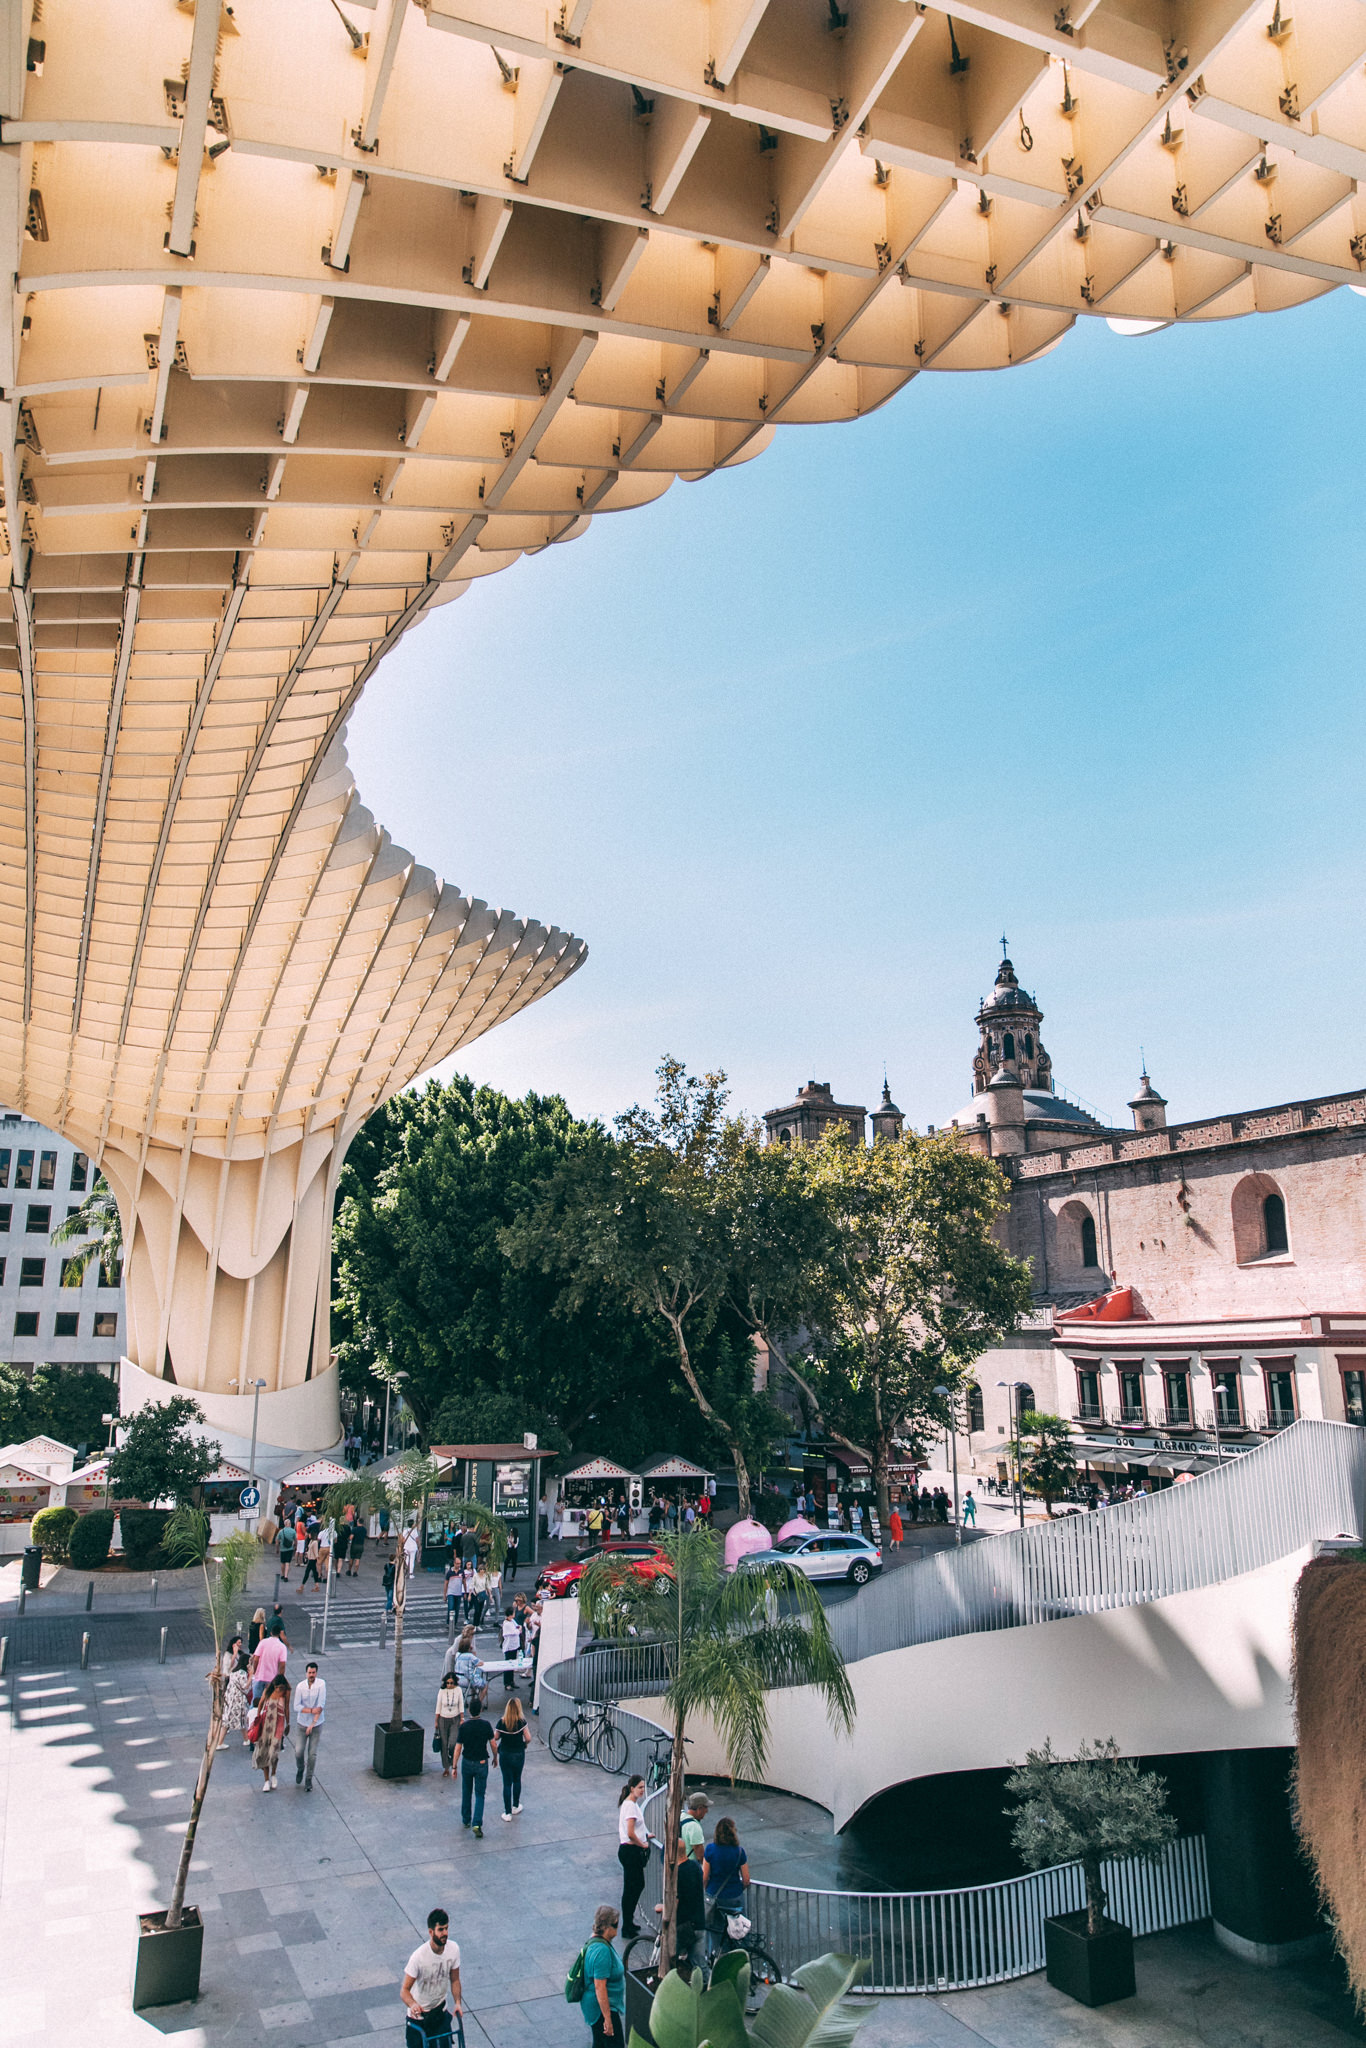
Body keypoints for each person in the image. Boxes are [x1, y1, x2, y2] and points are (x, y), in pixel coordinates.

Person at [401, 1908, 463, 2047]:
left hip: (439, 2013)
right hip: (419, 2018)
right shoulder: (418, 1957)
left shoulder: (453, 1949)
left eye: (446, 1928)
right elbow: (404, 1990)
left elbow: (455, 1980)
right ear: (431, 1932)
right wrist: (413, 2004)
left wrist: (457, 2002)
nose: (445, 1933)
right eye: (441, 1929)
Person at [579, 1905, 625, 2045]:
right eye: (615, 1925)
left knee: (600, 2043)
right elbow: (600, 1987)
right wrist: (608, 2020)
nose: (618, 1928)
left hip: (596, 2007)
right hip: (602, 2010)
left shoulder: (595, 1940)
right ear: (606, 1927)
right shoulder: (602, 1952)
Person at [453, 1698, 496, 1836]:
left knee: (466, 1791)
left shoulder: (464, 1727)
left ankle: (466, 1819)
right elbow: (493, 1744)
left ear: (469, 1710)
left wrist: (454, 1766)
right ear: (481, 1710)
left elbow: (458, 1748)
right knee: (480, 1794)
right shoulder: (486, 1725)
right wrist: (495, 1757)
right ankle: (477, 1823)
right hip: (482, 1762)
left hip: (467, 1762)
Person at [617, 1775, 651, 1938]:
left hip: (630, 1851)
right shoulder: (630, 1806)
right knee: (633, 1887)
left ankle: (629, 1922)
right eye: (640, 1787)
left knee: (633, 1887)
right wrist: (642, 1844)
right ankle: (627, 1925)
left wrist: (646, 1835)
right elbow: (630, 1832)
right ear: (632, 1789)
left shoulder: (631, 1804)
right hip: (630, 1851)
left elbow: (636, 1828)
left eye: (643, 1787)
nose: (643, 1790)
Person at [703, 1816, 750, 1934]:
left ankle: (715, 1951)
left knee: (714, 1931)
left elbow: (705, 1876)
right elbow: (746, 1880)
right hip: (734, 1895)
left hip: (715, 1895)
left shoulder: (710, 1850)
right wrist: (739, 1888)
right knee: (739, 1929)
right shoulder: (739, 1852)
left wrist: (706, 1890)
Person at [252, 1672, 290, 1793]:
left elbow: (287, 1707)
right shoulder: (268, 1690)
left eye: (281, 1688)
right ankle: (266, 1780)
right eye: (277, 1687)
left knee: (274, 1751)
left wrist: (287, 1723)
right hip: (266, 1722)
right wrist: (258, 1717)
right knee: (264, 1751)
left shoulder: (286, 1692)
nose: (279, 1690)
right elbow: (261, 1703)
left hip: (278, 1722)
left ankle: (273, 1774)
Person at [293, 1661, 326, 1790]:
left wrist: (313, 1723)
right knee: (298, 1752)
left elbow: (321, 1705)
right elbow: (297, 1706)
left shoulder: (321, 1684)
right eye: (309, 1672)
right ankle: (300, 1768)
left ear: (316, 1673)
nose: (311, 1675)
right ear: (306, 1673)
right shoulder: (300, 1686)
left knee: (312, 1754)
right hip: (302, 1723)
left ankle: (308, 1779)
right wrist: (311, 1711)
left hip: (316, 1724)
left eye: (313, 1672)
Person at [498, 1696, 528, 1818]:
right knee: (517, 1779)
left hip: (505, 1753)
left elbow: (495, 1737)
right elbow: (529, 1738)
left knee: (506, 1783)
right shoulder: (522, 1722)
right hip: (518, 1753)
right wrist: (524, 1744)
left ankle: (507, 1812)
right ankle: (515, 1805)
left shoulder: (502, 1722)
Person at [249, 1621, 287, 1705]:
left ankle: (253, 1716)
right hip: (272, 1679)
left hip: (259, 1676)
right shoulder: (282, 1647)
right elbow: (282, 1665)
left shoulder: (263, 1643)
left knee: (256, 1702)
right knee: (270, 1703)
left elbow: (256, 1659)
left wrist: (254, 1672)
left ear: (270, 1632)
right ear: (280, 1633)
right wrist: (280, 1679)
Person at [222, 1639, 252, 1744]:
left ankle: (246, 1739)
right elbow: (245, 1688)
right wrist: (251, 1676)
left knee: (230, 1723)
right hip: (238, 1701)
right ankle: (246, 1740)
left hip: (231, 1700)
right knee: (242, 1722)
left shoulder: (234, 1673)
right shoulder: (242, 1674)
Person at [434, 1670, 463, 1777]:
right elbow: (438, 1706)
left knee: (453, 1743)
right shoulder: (442, 1691)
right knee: (444, 1744)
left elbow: (461, 1704)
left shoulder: (458, 1690)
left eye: (451, 1683)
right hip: (443, 1719)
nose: (449, 1685)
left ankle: (452, 1760)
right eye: (448, 1683)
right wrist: (436, 1721)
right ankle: (446, 1767)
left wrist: (462, 1718)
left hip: (455, 1719)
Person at [679, 1791, 710, 1862]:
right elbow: (700, 1856)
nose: (707, 1811)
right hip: (690, 1867)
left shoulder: (681, 1815)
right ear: (699, 1809)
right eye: (706, 1807)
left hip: (678, 1863)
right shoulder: (694, 1827)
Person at [499, 1606, 523, 1692]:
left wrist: (518, 1629)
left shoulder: (512, 1621)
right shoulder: (507, 1624)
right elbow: (515, 1632)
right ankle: (507, 1683)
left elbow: (517, 1627)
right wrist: (519, 1630)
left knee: (512, 1664)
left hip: (514, 1646)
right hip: (509, 1647)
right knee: (508, 1665)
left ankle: (511, 1681)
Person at [444, 1557, 462, 1625]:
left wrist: (466, 1593)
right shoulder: (450, 1573)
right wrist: (445, 1595)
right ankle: (449, 1622)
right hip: (451, 1593)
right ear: (454, 1563)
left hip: (458, 1593)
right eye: (457, 1563)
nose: (458, 1565)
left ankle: (455, 1623)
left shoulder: (461, 1571)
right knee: (451, 1608)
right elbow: (446, 1584)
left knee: (457, 1609)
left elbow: (464, 1582)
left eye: (459, 1564)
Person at [278, 1516, 296, 1581]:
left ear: (285, 1524)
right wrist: (295, 1546)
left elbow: (277, 1540)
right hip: (290, 1549)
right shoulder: (293, 1531)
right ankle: (286, 1576)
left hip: (282, 1549)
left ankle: (282, 1574)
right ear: (290, 1524)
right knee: (287, 1562)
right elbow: (295, 1539)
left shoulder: (281, 1531)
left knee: (282, 1562)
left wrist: (277, 1548)